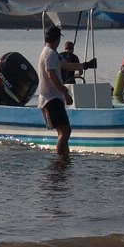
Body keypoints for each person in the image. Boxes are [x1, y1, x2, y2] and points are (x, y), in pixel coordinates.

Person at [38, 25, 74, 155]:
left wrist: (86, 65)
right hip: (51, 98)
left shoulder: (51, 52)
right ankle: (61, 161)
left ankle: (64, 159)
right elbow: (51, 75)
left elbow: (66, 65)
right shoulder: (50, 54)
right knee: (65, 131)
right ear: (57, 39)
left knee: (62, 132)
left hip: (51, 98)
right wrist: (65, 92)